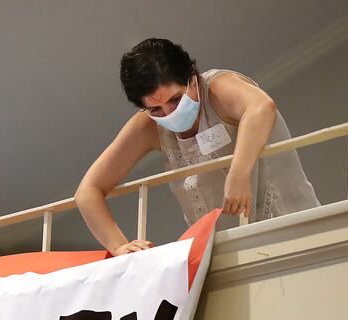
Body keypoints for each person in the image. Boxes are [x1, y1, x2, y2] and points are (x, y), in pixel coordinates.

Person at [75, 38, 319, 256]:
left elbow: (261, 107)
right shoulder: (148, 125)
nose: (169, 113)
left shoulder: (217, 87)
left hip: (294, 232)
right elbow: (88, 191)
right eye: (156, 109)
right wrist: (118, 246)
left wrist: (239, 172)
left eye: (175, 99)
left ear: (192, 77)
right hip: (221, 254)